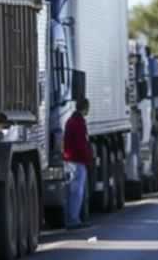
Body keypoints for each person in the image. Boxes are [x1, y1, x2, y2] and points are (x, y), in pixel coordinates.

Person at [64, 97, 93, 229]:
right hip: (78, 161)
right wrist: (88, 158)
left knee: (73, 191)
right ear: (85, 108)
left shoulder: (71, 121)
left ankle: (72, 218)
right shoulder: (79, 122)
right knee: (77, 191)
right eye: (88, 108)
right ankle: (74, 219)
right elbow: (82, 143)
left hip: (71, 160)